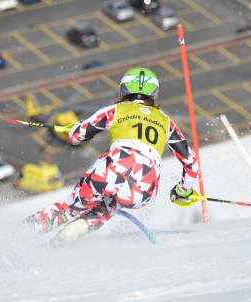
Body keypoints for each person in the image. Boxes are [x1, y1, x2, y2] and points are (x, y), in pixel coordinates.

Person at [25, 67, 201, 242]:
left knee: (70, 208)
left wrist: (75, 127)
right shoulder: (166, 122)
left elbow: (76, 136)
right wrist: (182, 191)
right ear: (154, 93)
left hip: (111, 169)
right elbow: (191, 163)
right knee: (110, 206)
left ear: (123, 90)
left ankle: (20, 236)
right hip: (144, 186)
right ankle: (71, 234)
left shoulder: (115, 110)